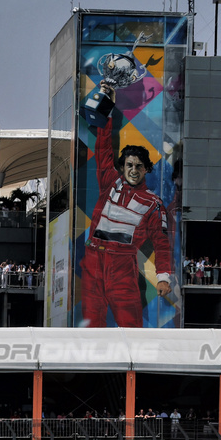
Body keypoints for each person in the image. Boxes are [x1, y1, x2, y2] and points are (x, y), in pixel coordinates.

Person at [80, 83, 173, 327]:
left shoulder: (153, 204)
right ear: (122, 167)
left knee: (131, 327)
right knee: (91, 327)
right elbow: (103, 147)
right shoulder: (110, 181)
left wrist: (163, 278)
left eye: (139, 166)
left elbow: (162, 243)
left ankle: (134, 355)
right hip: (93, 261)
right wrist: (108, 106)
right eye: (129, 165)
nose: (133, 170)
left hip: (122, 266)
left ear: (146, 169)